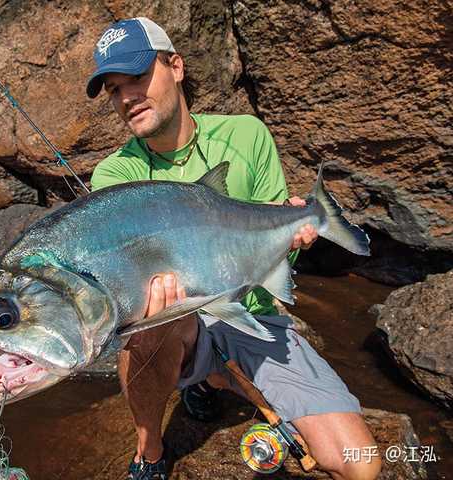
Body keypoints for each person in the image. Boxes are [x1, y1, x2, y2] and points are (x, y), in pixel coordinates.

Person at [86, 17, 381, 480]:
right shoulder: (112, 177)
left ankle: (213, 377)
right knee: (154, 323)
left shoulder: (247, 135)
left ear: (176, 66)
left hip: (254, 314)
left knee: (362, 465)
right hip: (175, 324)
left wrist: (296, 234)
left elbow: (280, 257)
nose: (127, 97)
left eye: (138, 77)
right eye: (113, 88)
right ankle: (149, 449)